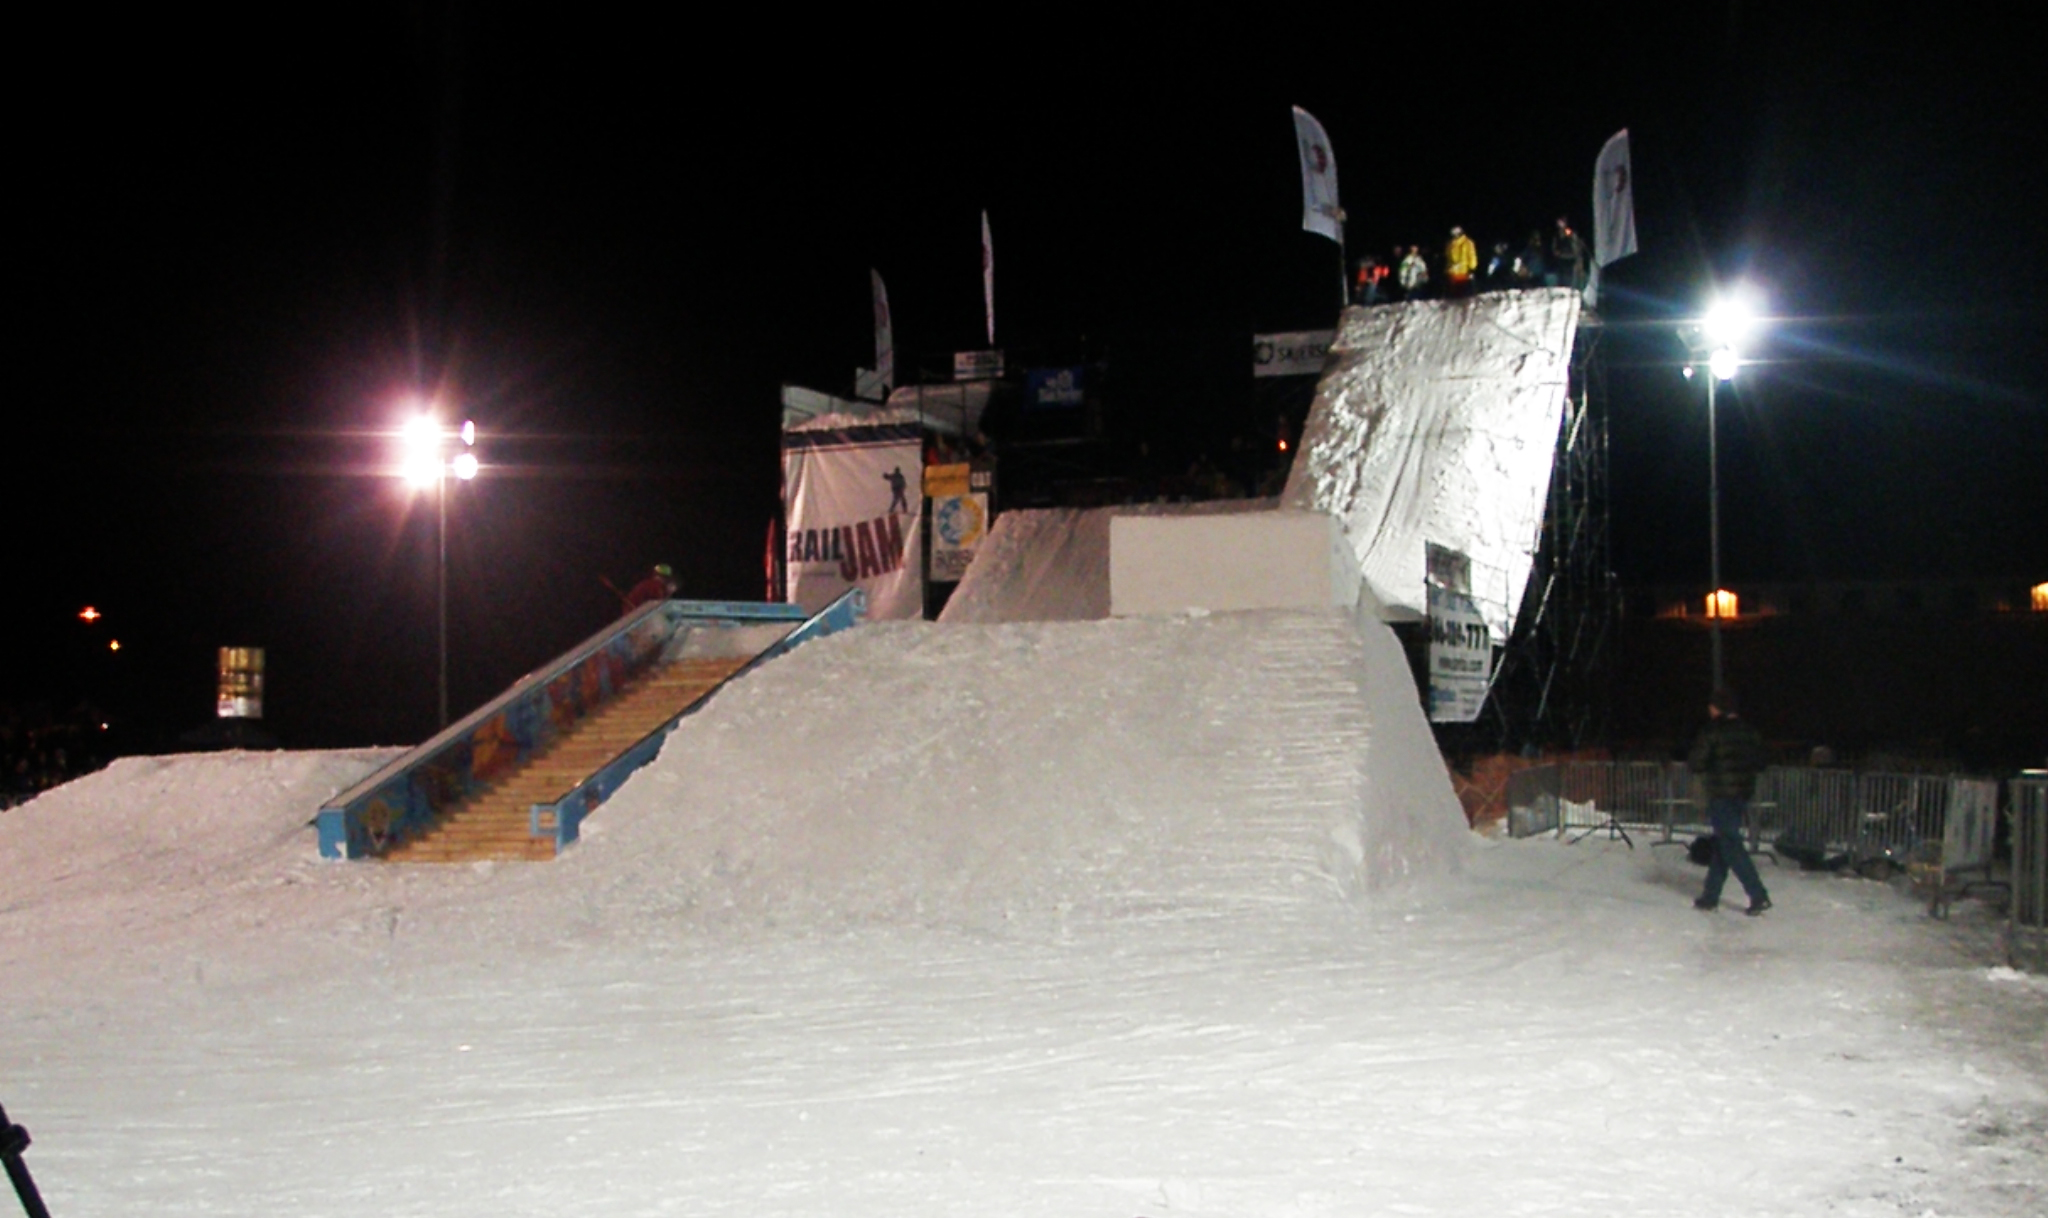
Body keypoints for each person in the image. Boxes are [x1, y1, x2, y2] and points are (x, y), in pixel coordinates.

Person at [1687, 687, 1773, 915]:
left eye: (1711, 706)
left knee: (1730, 845)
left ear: (1718, 708)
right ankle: (1710, 896)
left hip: (1721, 793)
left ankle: (1758, 894)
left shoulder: (1713, 731)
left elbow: (1696, 762)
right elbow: (1762, 761)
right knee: (1723, 844)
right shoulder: (1749, 731)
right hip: (1742, 794)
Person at [1550, 216, 1588, 291]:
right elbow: (1554, 249)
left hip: (1570, 261)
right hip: (1561, 262)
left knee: (1570, 281)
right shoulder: (1557, 236)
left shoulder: (1569, 232)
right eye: (1559, 222)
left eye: (1563, 221)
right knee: (1561, 281)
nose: (1561, 224)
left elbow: (1576, 246)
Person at [1443, 226, 1478, 296]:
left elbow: (1472, 255)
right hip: (1453, 272)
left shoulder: (1468, 243)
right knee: (1454, 293)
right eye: (1453, 234)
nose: (1455, 235)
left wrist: (1472, 268)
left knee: (1464, 292)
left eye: (1457, 233)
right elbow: (1447, 258)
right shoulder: (1450, 244)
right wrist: (1447, 269)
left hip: (1464, 272)